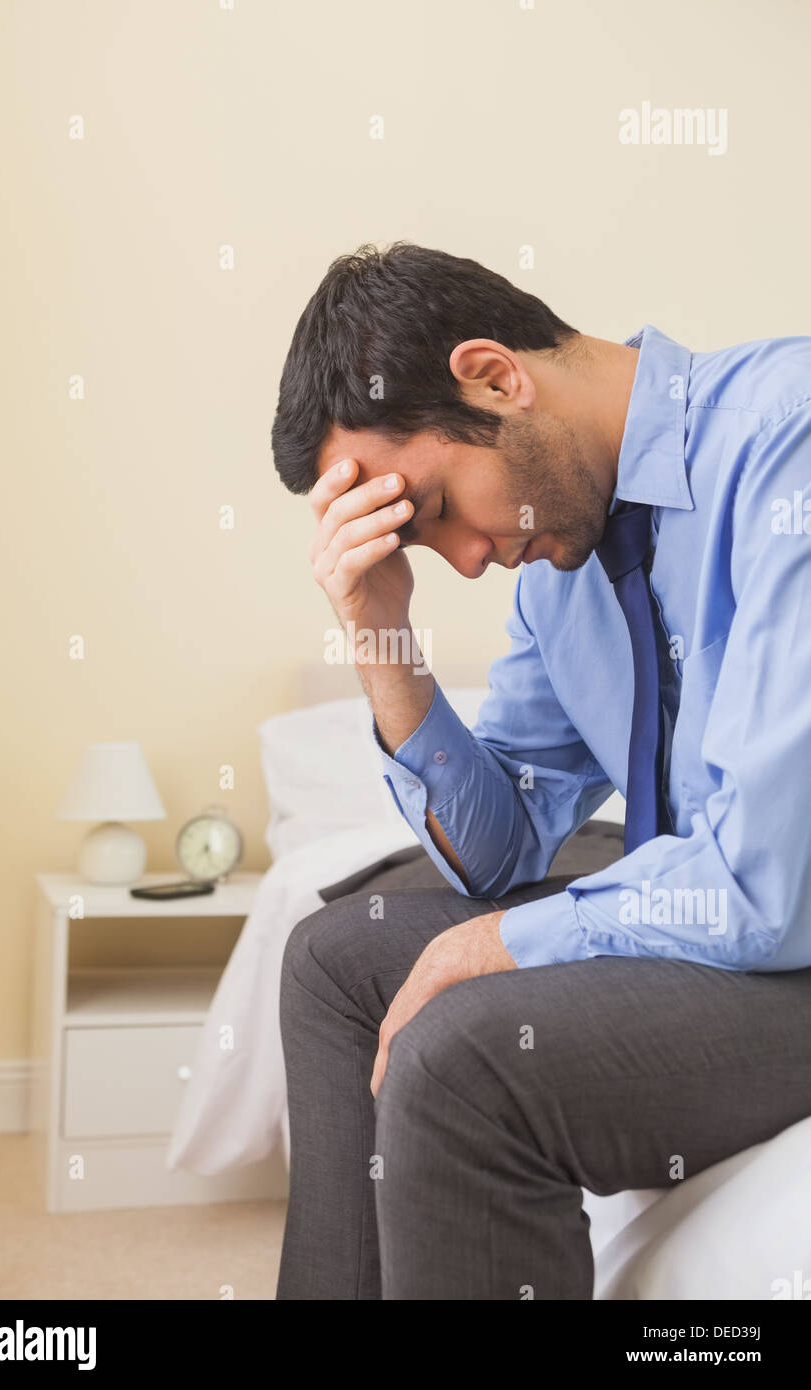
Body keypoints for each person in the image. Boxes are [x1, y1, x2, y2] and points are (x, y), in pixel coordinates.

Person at [269, 241, 811, 1299]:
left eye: (432, 511)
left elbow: (763, 882)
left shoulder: (783, 439)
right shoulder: (560, 564)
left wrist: (509, 943)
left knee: (463, 1059)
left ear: (494, 376)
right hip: (721, 907)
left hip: (790, 924)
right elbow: (501, 848)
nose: (465, 560)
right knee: (335, 960)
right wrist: (381, 635)